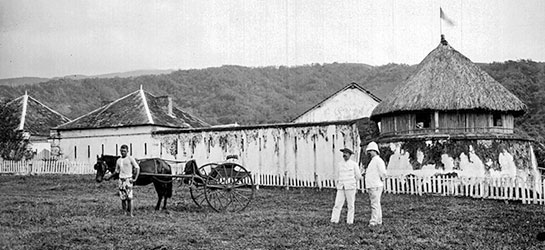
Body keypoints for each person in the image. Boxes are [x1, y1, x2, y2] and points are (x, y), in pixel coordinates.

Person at [330, 147, 362, 225]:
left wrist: (353, 184)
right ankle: (334, 220)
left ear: (350, 155)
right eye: (344, 153)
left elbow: (358, 176)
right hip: (341, 187)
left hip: (350, 187)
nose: (344, 154)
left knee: (350, 205)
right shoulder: (340, 164)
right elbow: (337, 175)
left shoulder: (354, 164)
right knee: (337, 204)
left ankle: (350, 221)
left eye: (346, 153)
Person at [363, 141, 387, 226]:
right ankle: (378, 221)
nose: (369, 153)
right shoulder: (374, 161)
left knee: (374, 204)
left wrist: (380, 181)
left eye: (370, 151)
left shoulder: (378, 160)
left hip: (375, 185)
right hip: (373, 185)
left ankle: (373, 222)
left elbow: (383, 173)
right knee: (376, 203)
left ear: (375, 151)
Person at [114, 144, 140, 217]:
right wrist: (109, 177)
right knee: (123, 198)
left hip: (128, 179)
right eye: (121, 151)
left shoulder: (130, 158)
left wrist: (135, 178)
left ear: (127, 151)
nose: (123, 152)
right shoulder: (118, 160)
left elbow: (137, 168)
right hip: (121, 180)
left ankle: (131, 213)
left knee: (129, 198)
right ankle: (124, 213)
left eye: (124, 151)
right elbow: (116, 171)